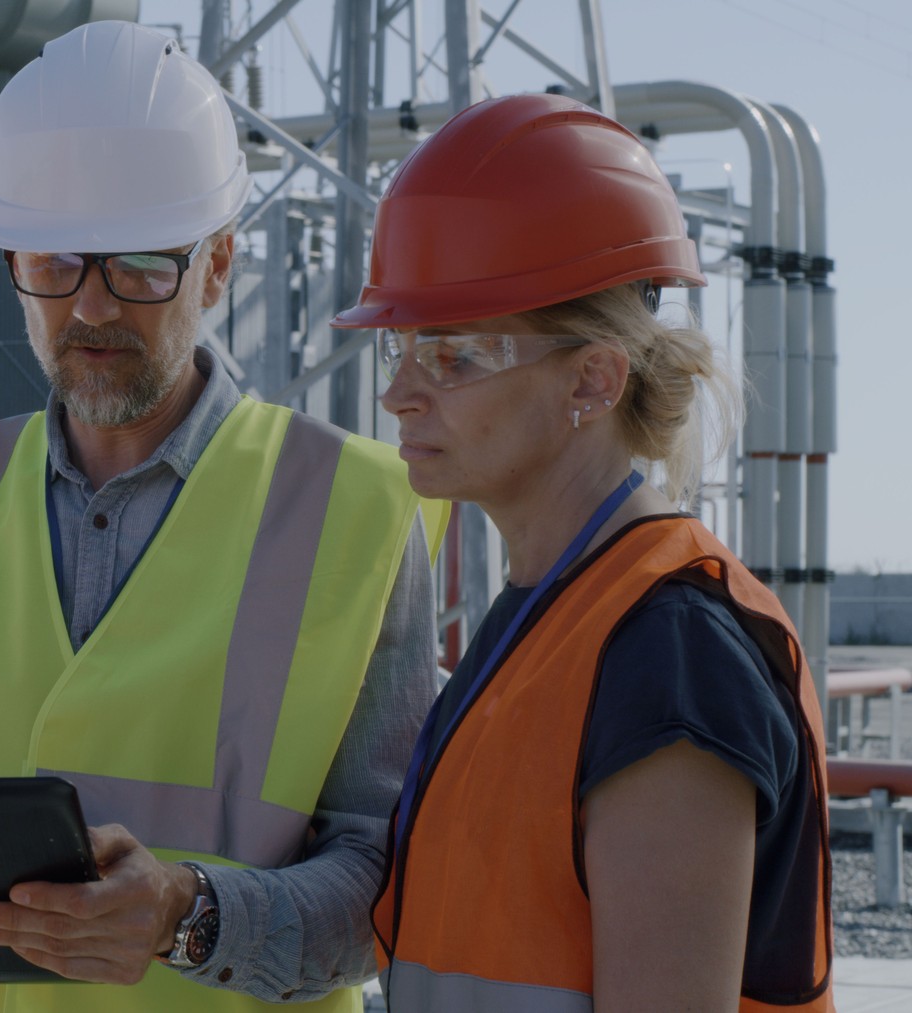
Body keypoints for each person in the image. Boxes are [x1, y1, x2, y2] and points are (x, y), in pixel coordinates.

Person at [0, 21, 446, 1012]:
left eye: (142, 266)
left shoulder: (354, 511)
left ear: (220, 264)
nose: (93, 306)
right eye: (54, 262)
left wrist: (184, 914)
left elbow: (391, 879)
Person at [332, 93, 832, 1011]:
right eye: (401, 346)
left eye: (452, 355)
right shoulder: (549, 615)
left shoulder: (669, 655)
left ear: (593, 379)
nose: (401, 391)